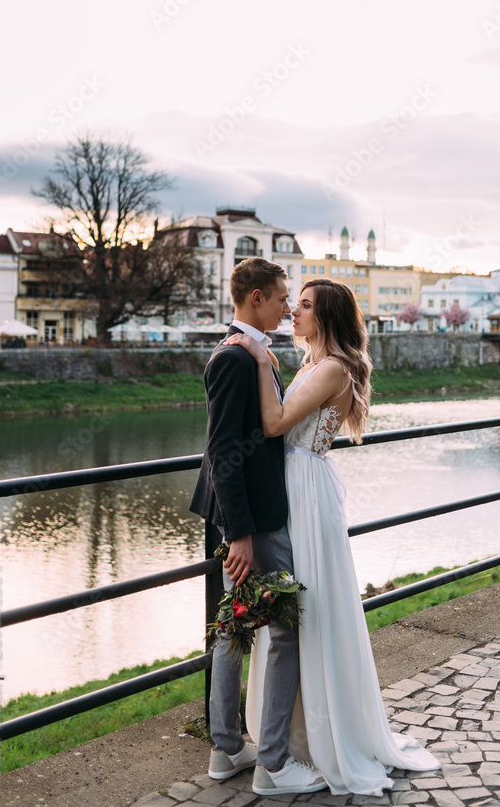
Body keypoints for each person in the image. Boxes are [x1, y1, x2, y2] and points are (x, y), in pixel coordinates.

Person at [226, 277, 441, 797]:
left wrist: (257, 360)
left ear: (326, 317)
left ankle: (307, 740)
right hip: (296, 487)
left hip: (304, 489)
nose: (292, 313)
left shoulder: (331, 369)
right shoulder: (311, 365)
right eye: (293, 303)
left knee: (307, 609)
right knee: (291, 611)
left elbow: (274, 424)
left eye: (303, 306)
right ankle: (286, 740)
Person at [189, 257, 327, 797]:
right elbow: (223, 449)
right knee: (285, 630)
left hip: (246, 513)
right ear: (253, 298)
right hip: (254, 519)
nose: (288, 306)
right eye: (279, 298)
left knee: (234, 625)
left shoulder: (254, 352)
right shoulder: (233, 358)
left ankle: (226, 750)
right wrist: (241, 532)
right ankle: (272, 763)